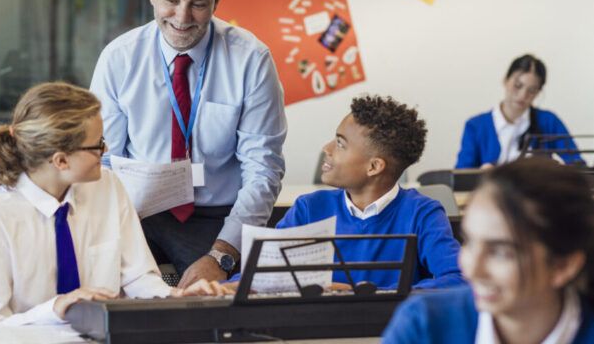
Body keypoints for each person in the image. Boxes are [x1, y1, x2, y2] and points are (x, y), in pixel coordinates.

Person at [90, 0, 287, 288]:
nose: (182, 18)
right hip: (137, 212)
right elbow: (103, 160)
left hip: (215, 216)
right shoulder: (119, 58)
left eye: (198, 4)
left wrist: (222, 255)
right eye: (171, 0)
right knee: (112, 296)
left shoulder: (250, 60)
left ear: (218, 0)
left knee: (215, 305)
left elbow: (263, 169)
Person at [0, 82, 229, 328]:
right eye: (97, 145)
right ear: (61, 161)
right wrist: (54, 310)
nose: (107, 149)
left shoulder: (108, 187)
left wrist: (176, 297)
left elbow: (137, 278)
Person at [233, 95, 464, 289]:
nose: (327, 148)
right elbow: (260, 274)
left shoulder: (422, 213)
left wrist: (367, 297)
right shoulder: (309, 208)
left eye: (341, 144)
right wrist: (221, 288)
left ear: (374, 166)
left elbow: (459, 278)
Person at [383, 157, 594, 343]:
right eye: (470, 242)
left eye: (500, 252)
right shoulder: (423, 325)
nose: (472, 270)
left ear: (563, 265)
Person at [455, 54, 583, 169]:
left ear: (538, 92)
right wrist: (480, 174)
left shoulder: (549, 121)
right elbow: (461, 176)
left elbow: (577, 163)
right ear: (505, 80)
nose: (523, 95)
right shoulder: (475, 126)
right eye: (518, 86)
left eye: (531, 90)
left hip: (537, 194)